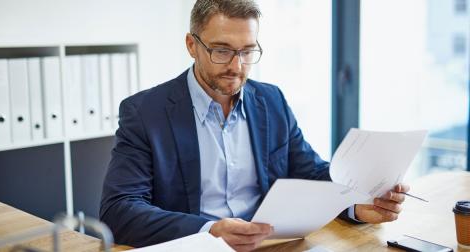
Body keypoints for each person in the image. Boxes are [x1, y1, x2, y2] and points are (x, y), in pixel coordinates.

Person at [100, 0, 410, 251]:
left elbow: (310, 172)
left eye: (248, 51)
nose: (237, 67)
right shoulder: (145, 112)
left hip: (270, 245)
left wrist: (358, 205)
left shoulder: (271, 100)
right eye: (222, 51)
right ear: (192, 45)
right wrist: (209, 230)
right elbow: (119, 210)